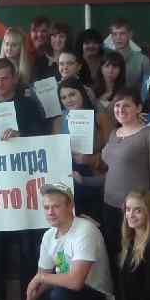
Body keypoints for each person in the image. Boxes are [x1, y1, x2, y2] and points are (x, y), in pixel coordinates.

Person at [0, 58, 47, 300]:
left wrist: (22, 135)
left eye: (4, 78)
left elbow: (43, 139)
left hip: (25, 188)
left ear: (14, 78)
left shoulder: (28, 105)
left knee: (28, 248)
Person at [101, 87, 150, 269]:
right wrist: (82, 179)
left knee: (136, 262)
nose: (120, 109)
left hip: (136, 211)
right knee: (114, 259)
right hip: (109, 207)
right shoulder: (114, 133)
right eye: (117, 105)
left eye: (126, 105)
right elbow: (110, 172)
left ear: (138, 108)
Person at [52, 77, 103, 222]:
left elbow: (113, 154)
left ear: (82, 93)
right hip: (68, 181)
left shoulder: (100, 118)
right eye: (63, 97)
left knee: (94, 224)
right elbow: (53, 152)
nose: (68, 100)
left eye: (72, 94)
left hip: (93, 178)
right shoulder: (58, 121)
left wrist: (91, 159)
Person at [107, 19, 150, 89]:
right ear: (111, 37)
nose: (118, 38)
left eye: (122, 34)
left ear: (130, 35)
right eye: (115, 34)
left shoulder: (143, 60)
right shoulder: (105, 59)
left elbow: (148, 87)